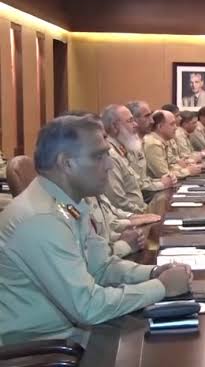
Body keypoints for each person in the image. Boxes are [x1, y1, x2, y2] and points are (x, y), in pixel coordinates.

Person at [0, 115, 191, 346]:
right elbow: (88, 307)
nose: (109, 165)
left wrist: (154, 273)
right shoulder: (41, 219)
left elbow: (101, 267)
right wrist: (161, 287)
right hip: (41, 348)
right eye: (99, 156)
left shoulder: (71, 203)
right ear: (67, 163)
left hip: (72, 333)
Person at [102, 105, 176, 213]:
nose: (135, 124)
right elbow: (118, 202)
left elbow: (138, 181)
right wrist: (145, 212)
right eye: (130, 121)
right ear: (114, 126)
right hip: (133, 216)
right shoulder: (110, 155)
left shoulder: (125, 147)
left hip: (141, 209)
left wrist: (161, 181)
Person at [86, 194, 161, 258]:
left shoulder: (95, 194)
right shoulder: (83, 204)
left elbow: (113, 212)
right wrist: (125, 244)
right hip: (108, 260)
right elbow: (94, 257)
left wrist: (129, 236)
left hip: (112, 254)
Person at [144, 110, 201, 178]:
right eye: (172, 124)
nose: (176, 127)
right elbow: (164, 174)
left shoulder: (162, 141)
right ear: (160, 126)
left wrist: (186, 166)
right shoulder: (153, 144)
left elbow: (170, 166)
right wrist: (188, 171)